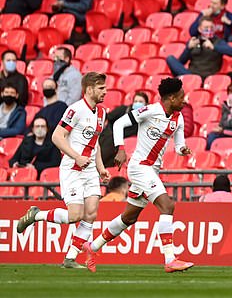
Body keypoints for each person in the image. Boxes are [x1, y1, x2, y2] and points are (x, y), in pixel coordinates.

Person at [78, 77, 194, 273]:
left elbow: (179, 144)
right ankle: (170, 259)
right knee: (167, 206)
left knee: (129, 218)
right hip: (140, 168)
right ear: (171, 98)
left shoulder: (178, 118)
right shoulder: (149, 111)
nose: (185, 101)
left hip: (152, 170)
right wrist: (120, 149)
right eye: (182, 97)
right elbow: (118, 124)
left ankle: (93, 246)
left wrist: (183, 150)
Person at [15, 72, 109, 270]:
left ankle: (70, 258)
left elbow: (96, 142)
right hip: (72, 168)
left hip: (90, 169)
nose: (105, 91)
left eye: (105, 88)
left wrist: (101, 168)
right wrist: (76, 156)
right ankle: (36, 215)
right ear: (89, 89)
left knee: (91, 213)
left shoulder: (101, 113)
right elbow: (57, 137)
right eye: (101, 88)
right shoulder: (74, 110)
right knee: (75, 215)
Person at [165, 18, 232, 79]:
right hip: (190, 74)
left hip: (207, 76)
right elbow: (181, 62)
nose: (209, 30)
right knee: (170, 59)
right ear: (200, 29)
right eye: (206, 28)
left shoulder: (218, 41)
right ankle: (186, 79)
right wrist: (188, 48)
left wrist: (214, 47)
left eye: (211, 27)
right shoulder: (194, 41)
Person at [97, 91, 147, 167]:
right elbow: (108, 117)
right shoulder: (123, 109)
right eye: (135, 101)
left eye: (140, 101)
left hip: (123, 142)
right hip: (109, 136)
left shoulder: (145, 119)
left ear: (146, 104)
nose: (137, 103)